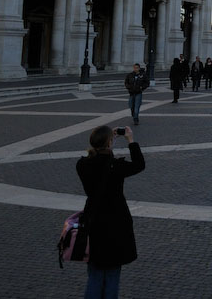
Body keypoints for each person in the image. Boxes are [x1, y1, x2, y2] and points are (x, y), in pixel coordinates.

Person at [77, 125, 145, 299]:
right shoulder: (115, 166)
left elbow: (96, 159)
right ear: (109, 142)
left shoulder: (82, 164)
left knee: (95, 275)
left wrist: (107, 142)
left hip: (93, 222)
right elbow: (139, 164)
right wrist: (130, 140)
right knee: (113, 275)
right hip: (116, 223)